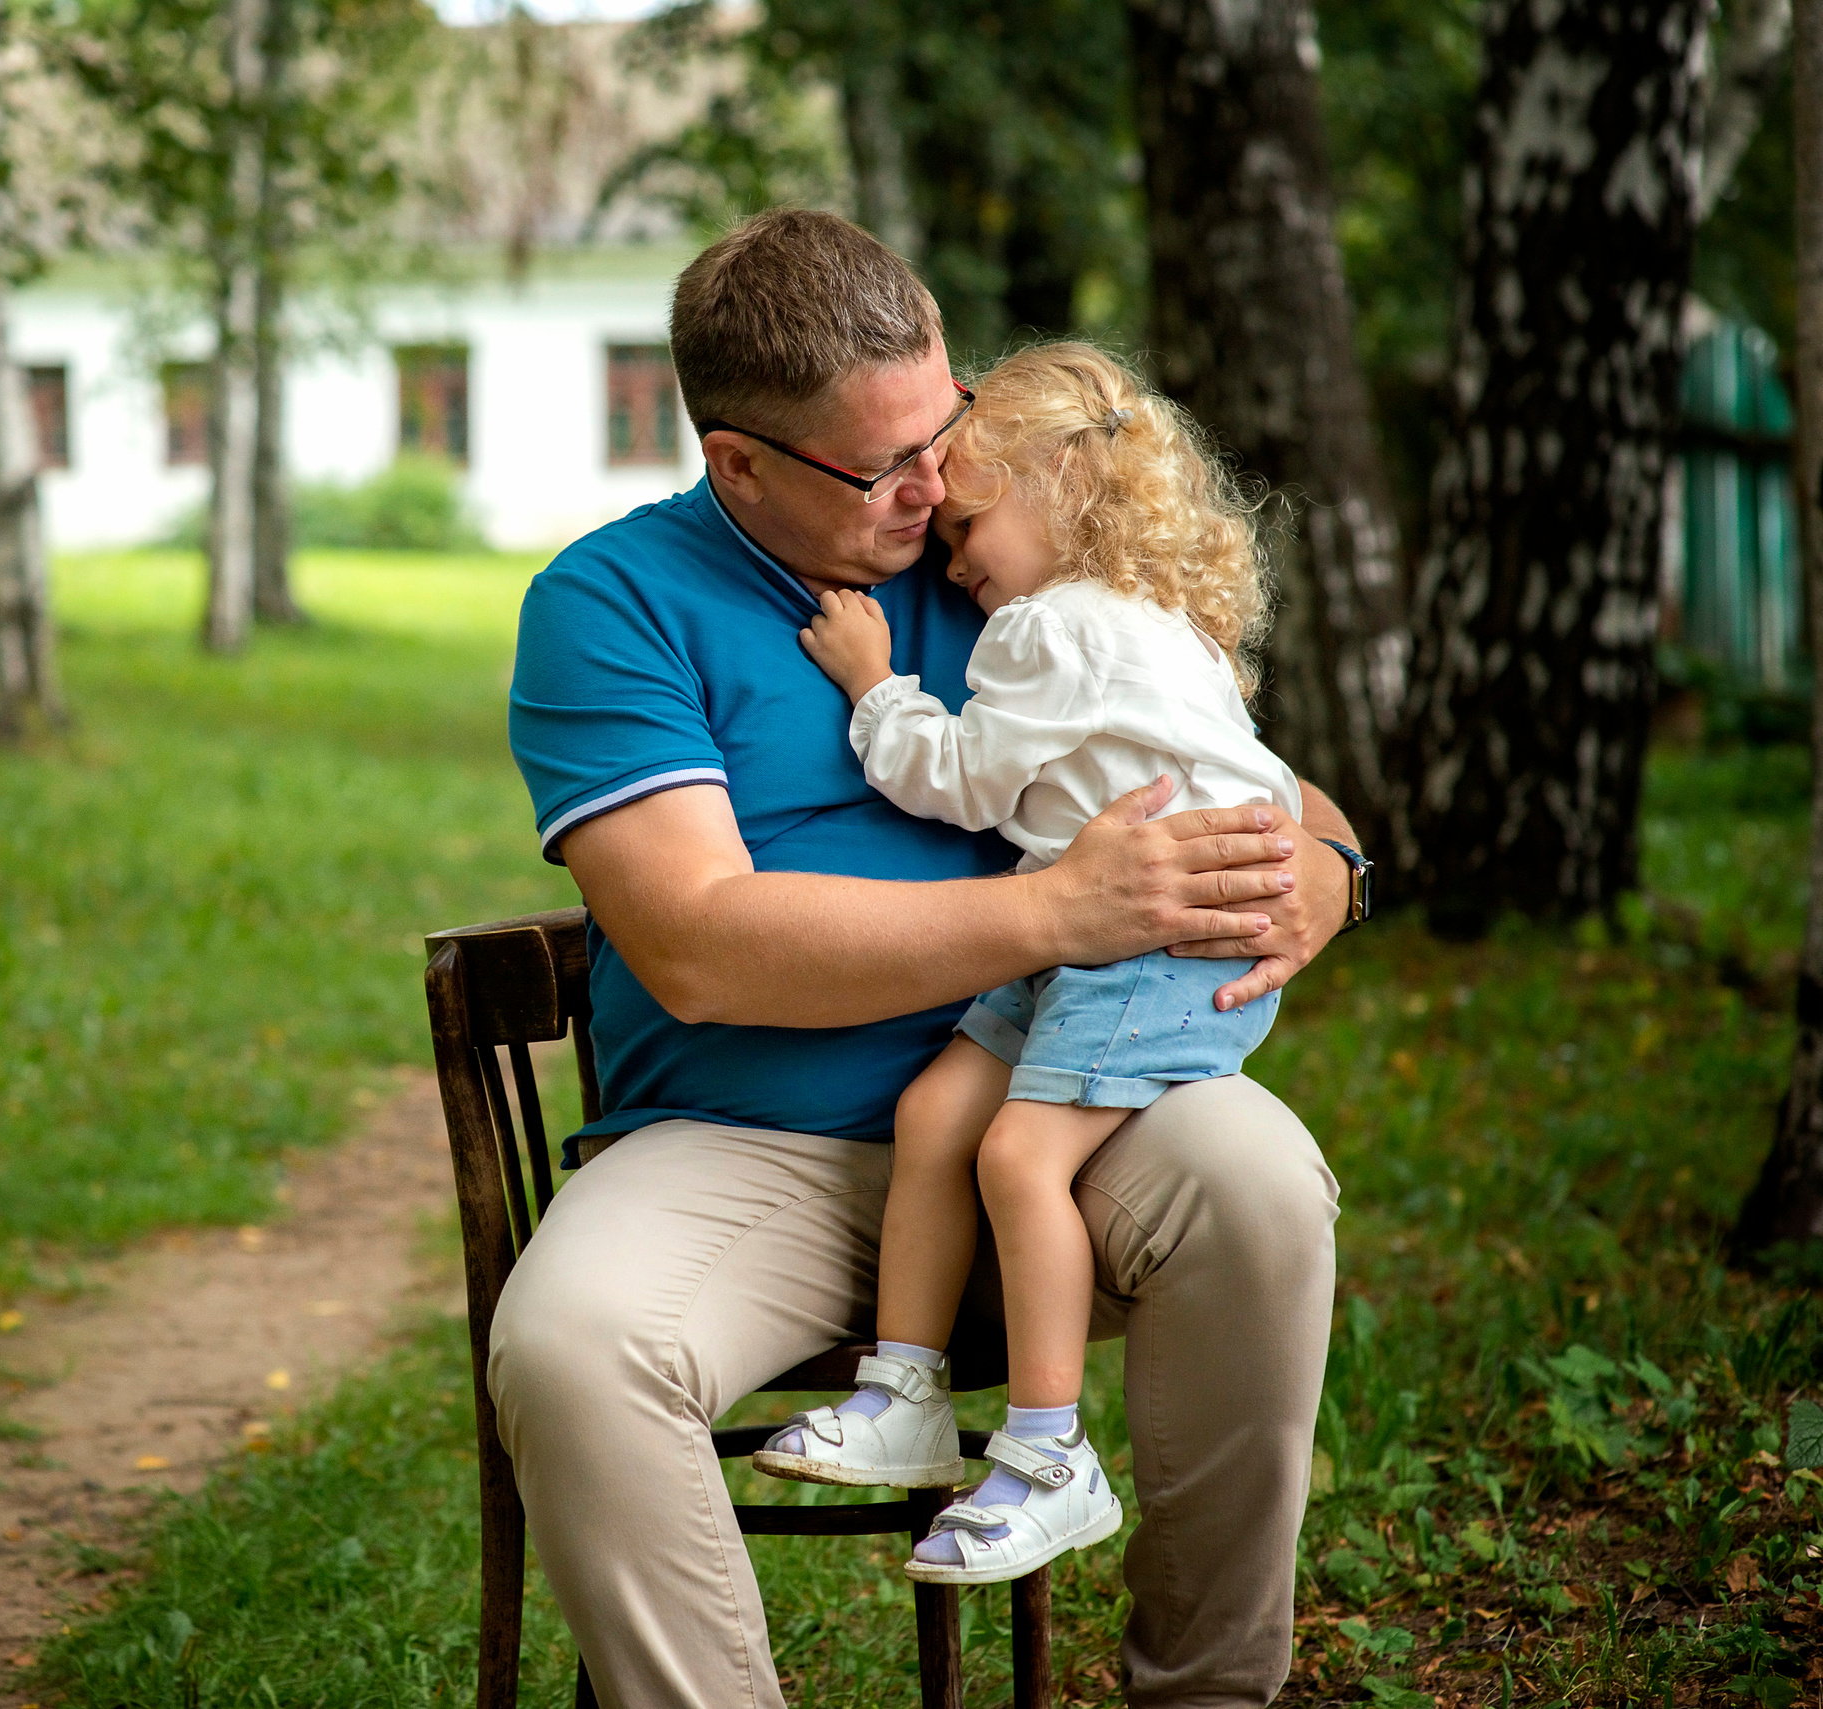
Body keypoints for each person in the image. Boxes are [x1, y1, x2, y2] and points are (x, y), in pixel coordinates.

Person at [499, 208, 1353, 1709]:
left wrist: (1330, 873)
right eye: (880, 466)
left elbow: (1247, 770)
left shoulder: (1006, 553)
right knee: (575, 1346)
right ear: (738, 462)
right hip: (746, 1146)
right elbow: (700, 944)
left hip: (1068, 1090)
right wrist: (1059, 913)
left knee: (1260, 1183)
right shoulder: (612, 605)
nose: (932, 484)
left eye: (942, 428)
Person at [750, 343, 1310, 1594]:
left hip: (1152, 950)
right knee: (937, 1108)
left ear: (1059, 484)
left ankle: (1051, 1455)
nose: (956, 561)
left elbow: (956, 781)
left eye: (969, 521)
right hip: (1093, 930)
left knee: (1013, 1151)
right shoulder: (1166, 622)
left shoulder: (1048, 630)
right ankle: (904, 1388)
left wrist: (873, 680)